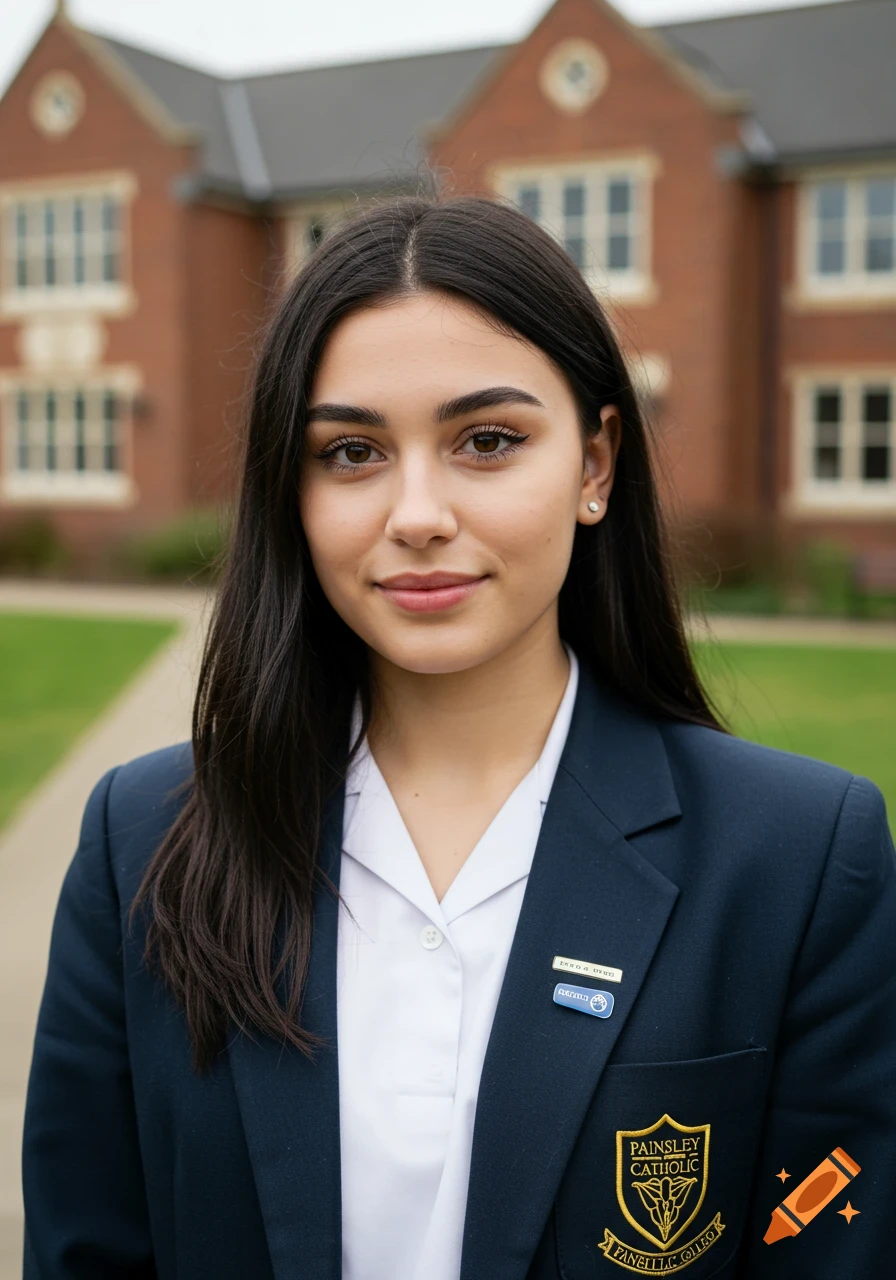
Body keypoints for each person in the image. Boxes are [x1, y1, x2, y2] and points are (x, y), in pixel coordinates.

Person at [21, 193, 896, 1280]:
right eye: (350, 452)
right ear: (288, 488)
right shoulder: (140, 841)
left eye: (486, 440)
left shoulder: (797, 856)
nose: (416, 511)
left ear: (593, 464)